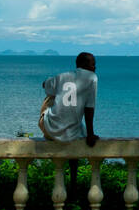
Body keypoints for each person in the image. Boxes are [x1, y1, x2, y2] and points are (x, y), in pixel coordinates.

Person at [40, 52, 99, 194]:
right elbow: (89, 108)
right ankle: (73, 183)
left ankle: (72, 184)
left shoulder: (62, 76)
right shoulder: (92, 78)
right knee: (79, 129)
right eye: (92, 64)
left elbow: (44, 84)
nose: (95, 67)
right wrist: (91, 134)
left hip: (49, 127)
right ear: (84, 65)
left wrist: (52, 84)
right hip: (70, 132)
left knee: (51, 95)